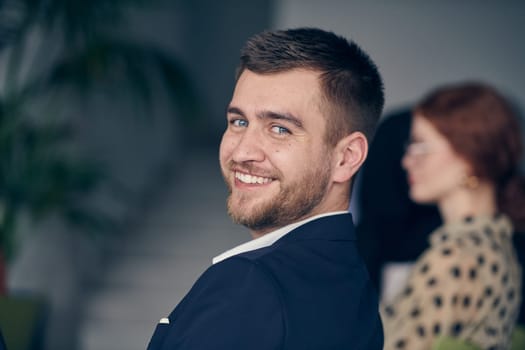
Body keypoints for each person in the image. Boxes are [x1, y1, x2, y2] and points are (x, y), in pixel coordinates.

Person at [147, 27, 385, 350]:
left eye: (279, 129)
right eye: (239, 122)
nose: (242, 152)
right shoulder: (356, 284)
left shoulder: (247, 286)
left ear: (346, 157)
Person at [381, 82, 524, 350]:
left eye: (421, 146)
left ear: (469, 156)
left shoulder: (458, 256)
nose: (407, 160)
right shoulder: (495, 245)